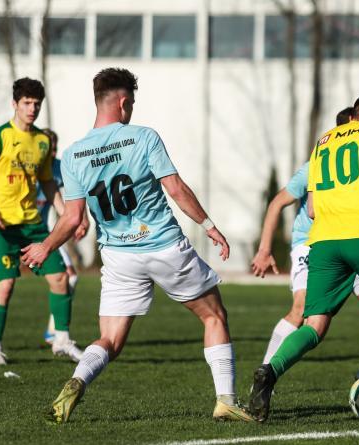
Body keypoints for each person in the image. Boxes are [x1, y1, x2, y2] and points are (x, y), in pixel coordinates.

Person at [21, 67, 254, 423]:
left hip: (118, 257)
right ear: (124, 102)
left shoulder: (73, 155)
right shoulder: (143, 137)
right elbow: (175, 188)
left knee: (109, 341)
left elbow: (71, 218)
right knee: (214, 316)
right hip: (163, 247)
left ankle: (76, 381)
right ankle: (226, 400)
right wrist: (208, 225)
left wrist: (45, 247)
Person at [249, 92, 359, 421]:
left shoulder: (324, 141)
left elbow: (314, 207)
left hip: (323, 241)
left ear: (352, 115)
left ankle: (270, 371)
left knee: (314, 324)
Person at [0, 78, 83, 365]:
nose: (32, 109)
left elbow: (48, 182)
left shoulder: (41, 141)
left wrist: (67, 214)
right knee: (5, 285)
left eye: (37, 104)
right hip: (0, 226)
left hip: (33, 226)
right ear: (14, 104)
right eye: (27, 103)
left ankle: (62, 340)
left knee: (61, 278)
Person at [0, 129, 89, 351]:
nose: (50, 152)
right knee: (2, 284)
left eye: (53, 148)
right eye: (47, 149)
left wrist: (81, 218)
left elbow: (77, 193)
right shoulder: (24, 165)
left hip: (41, 233)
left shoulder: (57, 168)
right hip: (12, 231)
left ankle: (56, 334)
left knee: (67, 278)